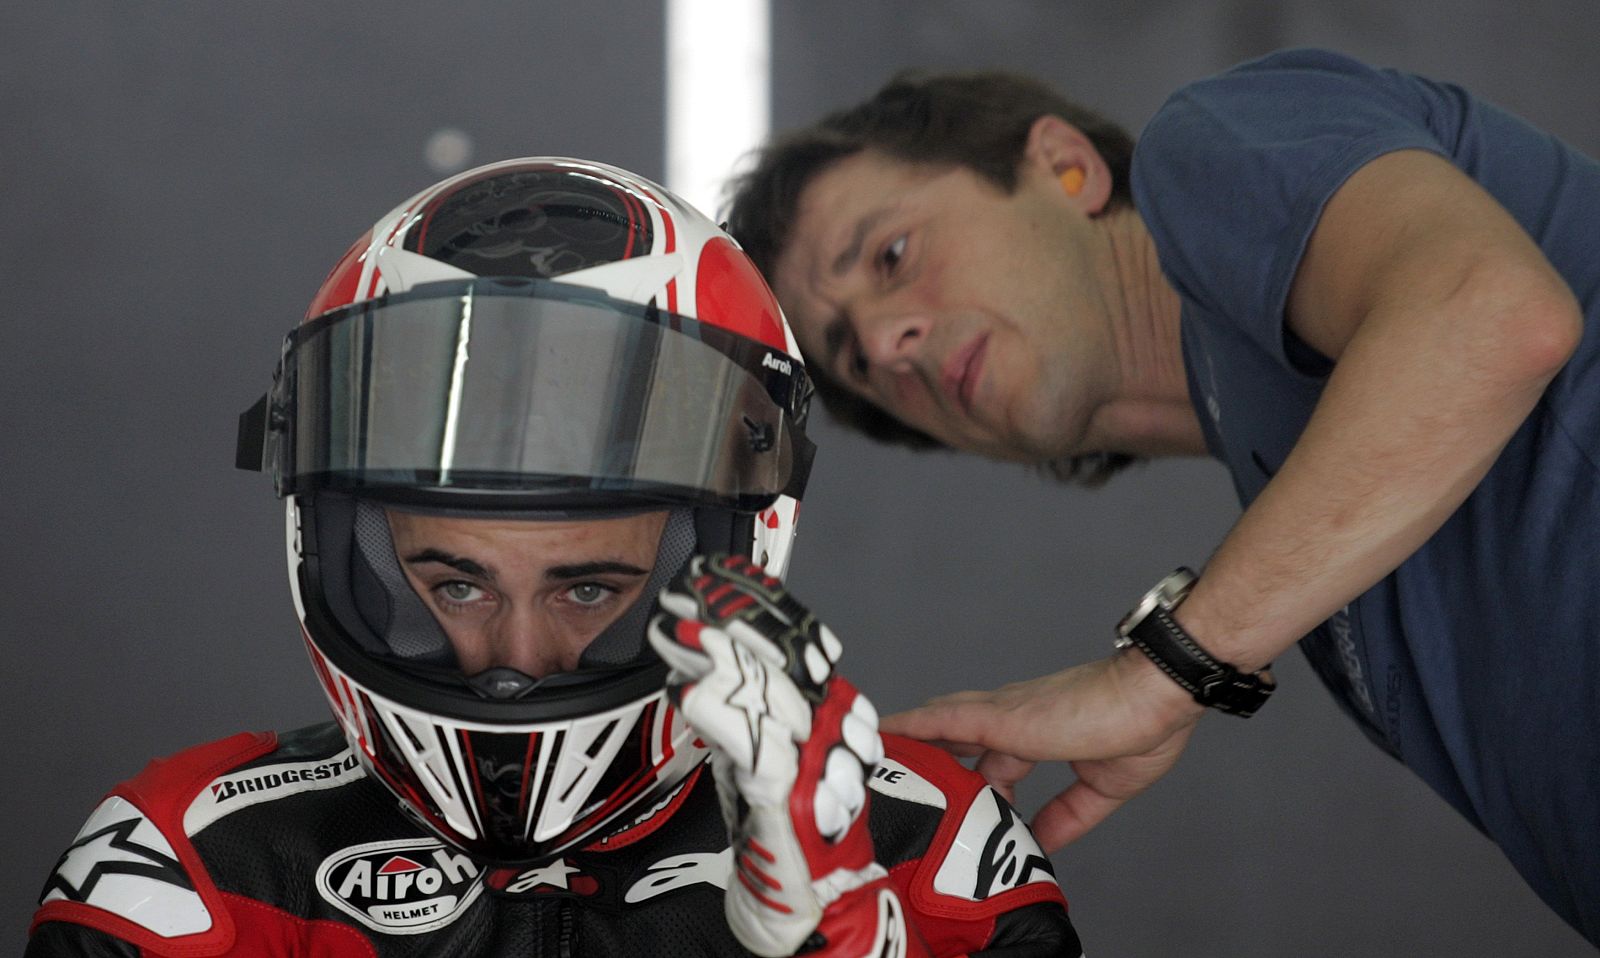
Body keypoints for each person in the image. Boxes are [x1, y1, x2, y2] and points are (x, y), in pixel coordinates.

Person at [26, 158, 1082, 957]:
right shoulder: (189, 868)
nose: (517, 658)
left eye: (587, 587)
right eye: (455, 583)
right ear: (346, 550)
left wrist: (843, 931)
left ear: (730, 551)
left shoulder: (927, 853)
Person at [721, 48, 1600, 945]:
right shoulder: (1312, 569)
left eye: (891, 254)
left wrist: (1163, 670)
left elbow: (1491, 317)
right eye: (854, 360)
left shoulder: (1217, 138)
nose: (884, 342)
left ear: (1067, 168)